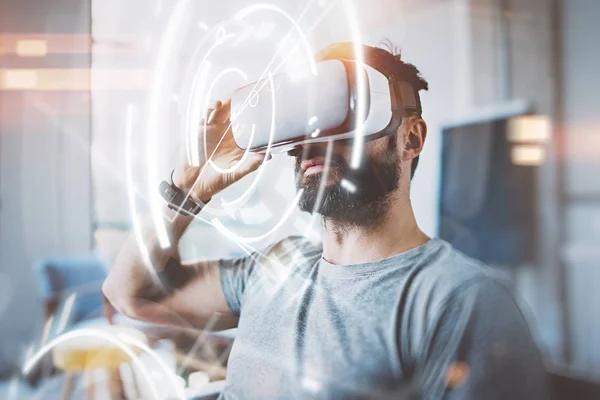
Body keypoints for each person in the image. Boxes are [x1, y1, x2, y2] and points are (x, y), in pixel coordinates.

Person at [103, 42, 549, 399]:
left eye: (343, 115)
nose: (317, 141)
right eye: (307, 123)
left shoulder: (459, 300)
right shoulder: (276, 267)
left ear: (410, 139)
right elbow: (129, 294)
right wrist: (188, 188)